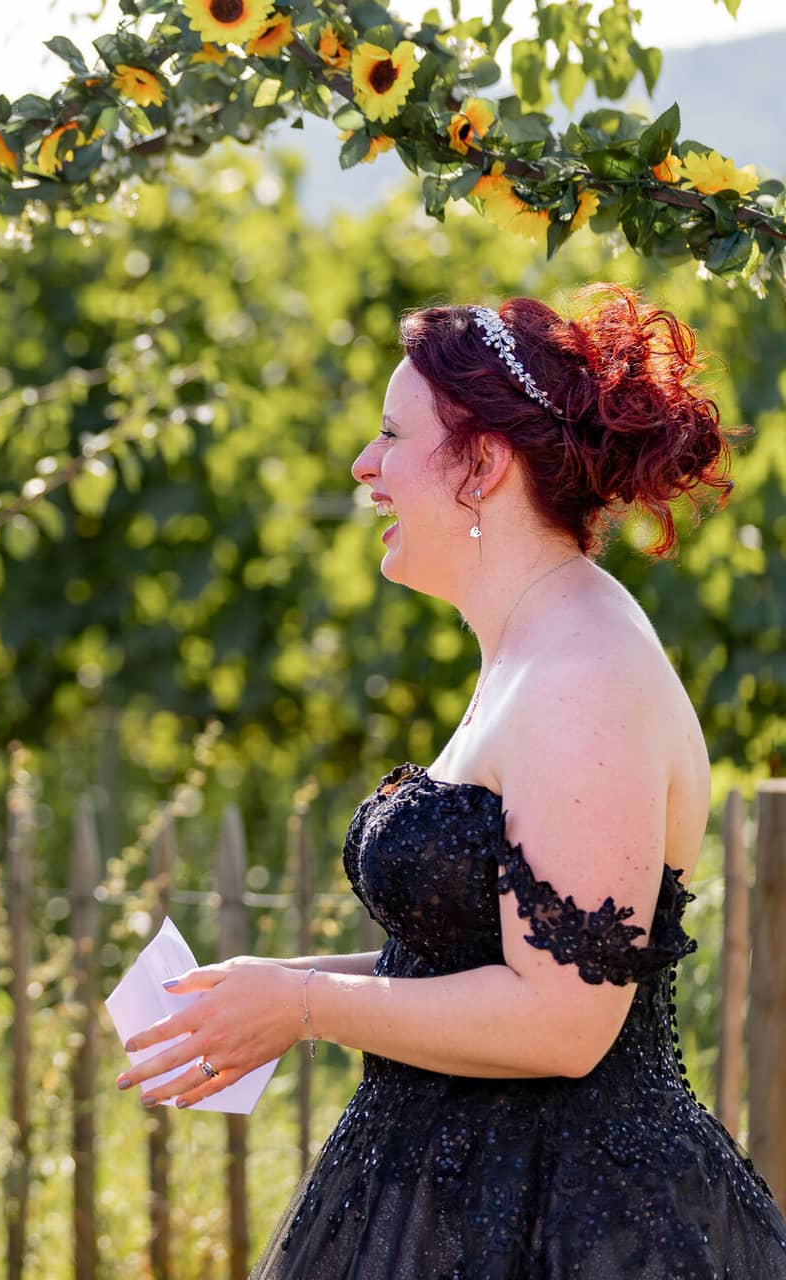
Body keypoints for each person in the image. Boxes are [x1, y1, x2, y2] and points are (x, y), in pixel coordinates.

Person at [118, 287, 786, 1276]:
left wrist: (305, 1010)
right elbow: (477, 960)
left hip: (572, 1226)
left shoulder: (583, 671)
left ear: (482, 463)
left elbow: (562, 1019)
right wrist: (269, 992)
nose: (365, 465)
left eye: (392, 434)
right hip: (473, 1197)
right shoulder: (530, 645)